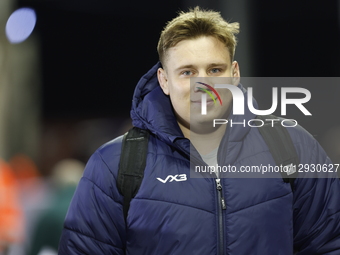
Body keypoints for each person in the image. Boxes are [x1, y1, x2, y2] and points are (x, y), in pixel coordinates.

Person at [58, 7, 340, 254]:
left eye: (215, 70)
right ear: (164, 80)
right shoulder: (116, 164)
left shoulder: (291, 145)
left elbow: (331, 243)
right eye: (187, 72)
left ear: (235, 73)